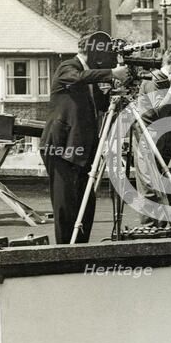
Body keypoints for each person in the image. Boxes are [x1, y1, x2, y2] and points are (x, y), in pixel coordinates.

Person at [40, 34, 129, 244]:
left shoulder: (88, 74)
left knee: (85, 199)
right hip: (61, 146)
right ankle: (64, 249)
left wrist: (114, 90)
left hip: (82, 146)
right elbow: (80, 77)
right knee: (65, 201)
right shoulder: (68, 66)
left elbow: (98, 105)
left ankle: (81, 246)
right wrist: (111, 72)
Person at [133, 46, 171, 226]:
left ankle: (164, 224)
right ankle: (149, 226)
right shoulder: (153, 79)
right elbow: (159, 111)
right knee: (150, 183)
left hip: (167, 133)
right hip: (149, 134)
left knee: (167, 179)